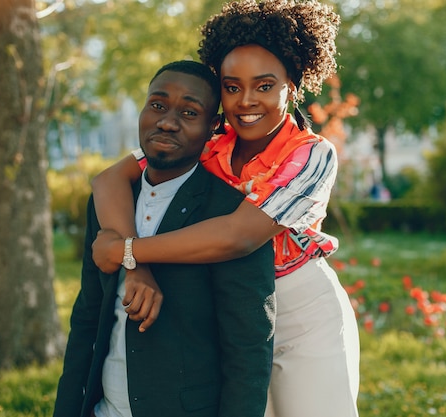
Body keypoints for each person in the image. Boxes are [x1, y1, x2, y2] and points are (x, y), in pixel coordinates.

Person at [91, 1, 360, 416]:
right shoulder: (208, 138)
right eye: (232, 87)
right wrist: (134, 266)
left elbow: (240, 235)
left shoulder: (310, 155)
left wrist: (128, 251)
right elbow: (109, 179)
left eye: (264, 86)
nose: (246, 101)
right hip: (225, 310)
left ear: (294, 83)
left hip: (299, 314)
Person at [53, 60, 276, 417]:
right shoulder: (108, 203)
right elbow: (86, 319)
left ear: (212, 127)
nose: (167, 122)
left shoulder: (230, 213)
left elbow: (249, 351)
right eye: (157, 105)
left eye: (189, 112)